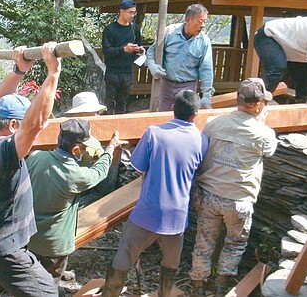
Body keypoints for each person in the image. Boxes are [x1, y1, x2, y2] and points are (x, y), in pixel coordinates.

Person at [0, 42, 61, 297]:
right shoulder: (1, 154)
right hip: (4, 248)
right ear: (12, 126)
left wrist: (19, 70)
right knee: (47, 294)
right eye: (20, 125)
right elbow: (35, 124)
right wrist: (53, 71)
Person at [100, 90, 208, 297]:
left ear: (172, 108)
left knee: (124, 257)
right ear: (196, 114)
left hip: (147, 212)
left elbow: (139, 168)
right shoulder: (201, 141)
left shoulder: (154, 133)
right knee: (170, 265)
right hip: (177, 218)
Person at [188, 78, 278, 297]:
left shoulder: (213, 122)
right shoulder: (264, 134)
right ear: (258, 105)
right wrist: (261, 123)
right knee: (235, 243)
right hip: (238, 200)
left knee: (204, 241)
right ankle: (221, 286)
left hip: (209, 195)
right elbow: (270, 152)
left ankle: (198, 285)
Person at [27, 119, 128, 294]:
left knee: (31, 278)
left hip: (30, 237)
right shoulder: (76, 176)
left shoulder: (36, 158)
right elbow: (100, 171)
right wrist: (111, 148)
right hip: (54, 245)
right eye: (84, 148)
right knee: (49, 284)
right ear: (75, 150)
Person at [146, 3, 214, 111]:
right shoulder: (169, 32)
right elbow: (151, 52)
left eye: (205, 21)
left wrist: (206, 95)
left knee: (184, 119)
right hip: (166, 85)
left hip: (187, 88)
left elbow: (207, 70)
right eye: (201, 21)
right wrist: (151, 65)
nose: (203, 25)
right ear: (189, 19)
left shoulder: (204, 42)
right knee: (164, 118)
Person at [102, 0, 143, 114]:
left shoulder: (135, 29)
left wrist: (139, 51)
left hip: (127, 72)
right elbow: (107, 51)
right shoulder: (110, 29)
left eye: (134, 12)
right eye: (130, 12)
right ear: (121, 11)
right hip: (112, 72)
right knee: (109, 104)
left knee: (123, 105)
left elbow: (138, 47)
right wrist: (124, 49)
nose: (132, 15)